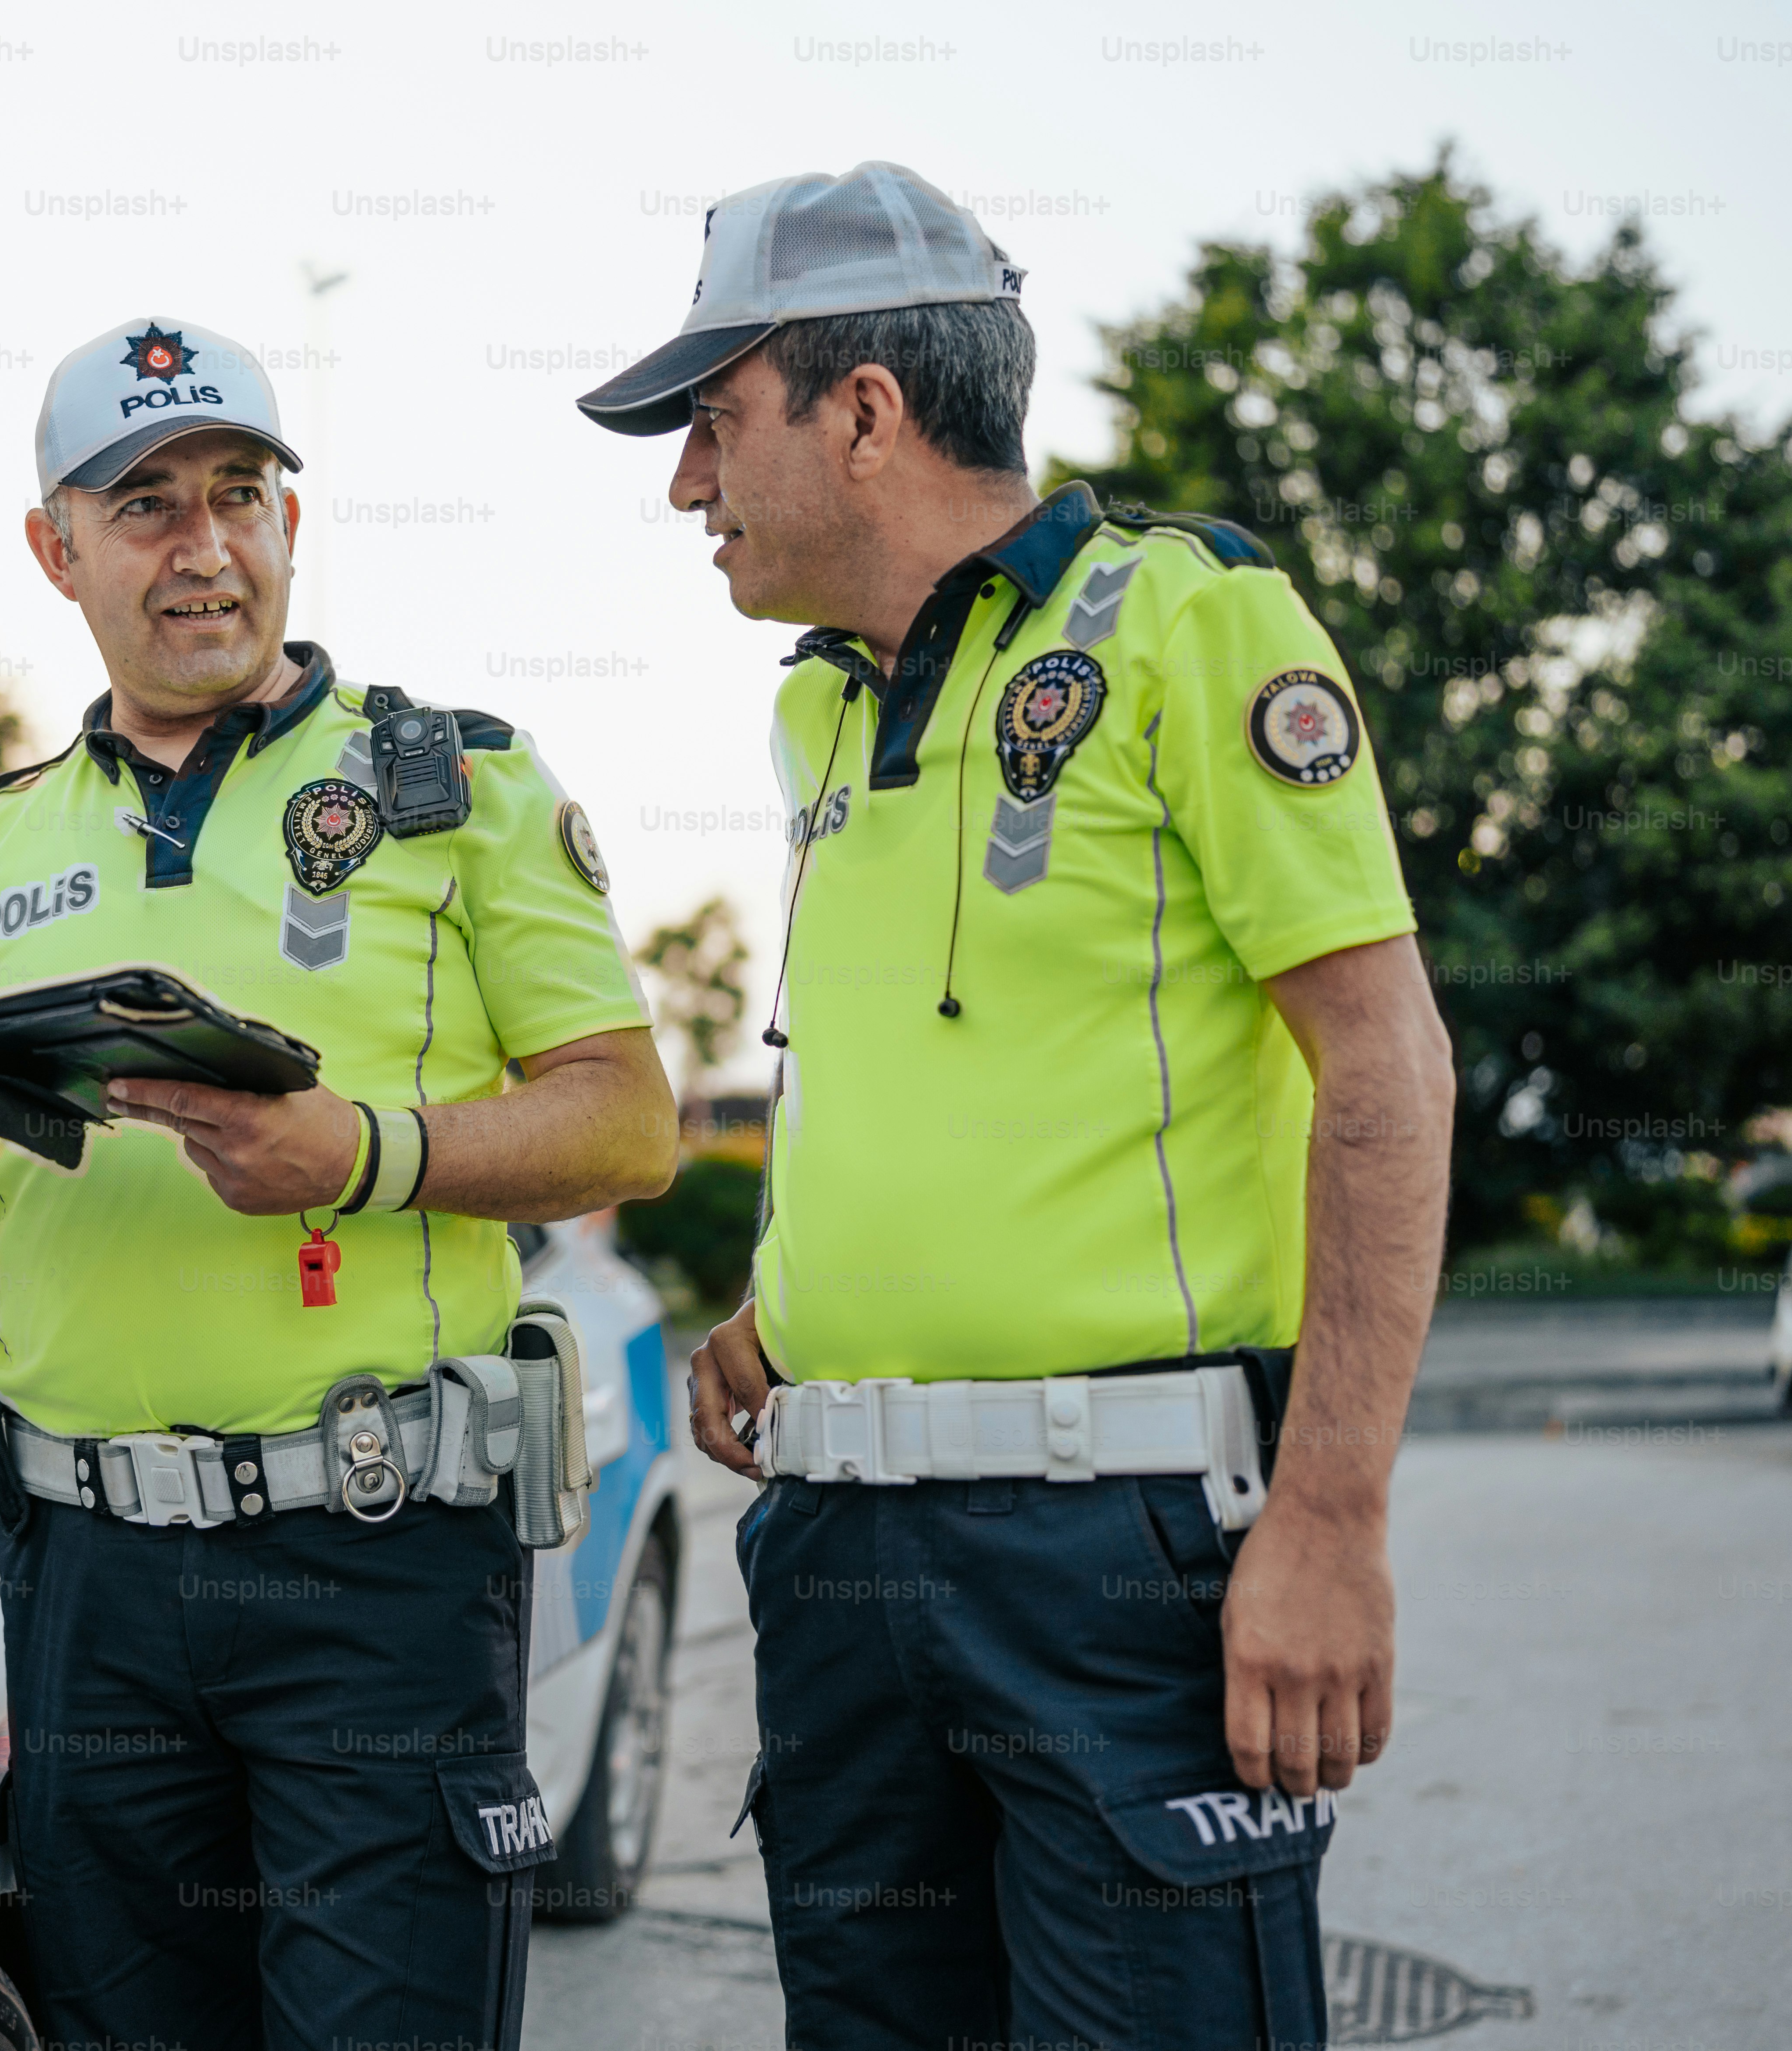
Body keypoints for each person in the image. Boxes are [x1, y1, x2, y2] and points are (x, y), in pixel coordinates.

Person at [573, 165, 1456, 2048]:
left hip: (1121, 1552)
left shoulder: (1192, 621)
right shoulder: (817, 707)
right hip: (839, 1552)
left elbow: (1385, 1067)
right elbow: (921, 1059)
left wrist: (1331, 1514)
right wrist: (795, 1309)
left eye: (714, 423)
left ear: (864, 413)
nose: (686, 485)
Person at [0, 314, 676, 2051]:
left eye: (238, 494)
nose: (202, 545)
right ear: (57, 549)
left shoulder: (453, 783)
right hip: (86, 1579)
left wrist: (357, 1153)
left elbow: (628, 1124)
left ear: (293, 518)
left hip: (377, 1563)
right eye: (145, 505)